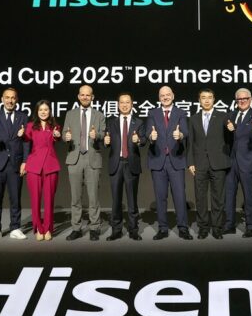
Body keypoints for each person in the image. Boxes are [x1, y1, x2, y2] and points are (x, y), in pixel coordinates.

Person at [145, 86, 192, 240]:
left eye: (167, 95)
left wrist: (180, 135)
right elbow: (148, 133)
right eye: (162, 95)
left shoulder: (181, 113)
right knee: (160, 197)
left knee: (179, 196)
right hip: (158, 160)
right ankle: (163, 228)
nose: (165, 97)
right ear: (159, 98)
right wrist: (151, 137)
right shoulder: (152, 113)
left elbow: (185, 132)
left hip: (175, 160)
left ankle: (183, 228)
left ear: (173, 96)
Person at [0, 87, 29, 241]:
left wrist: (25, 161)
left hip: (15, 163)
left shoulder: (23, 117)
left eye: (13, 98)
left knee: (15, 198)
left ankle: (15, 228)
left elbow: (26, 142)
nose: (10, 100)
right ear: (2, 99)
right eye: (7, 97)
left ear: (17, 100)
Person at [62, 85, 106, 241]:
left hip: (92, 158)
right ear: (78, 96)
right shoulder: (70, 114)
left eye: (88, 95)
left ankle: (94, 228)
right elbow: (64, 133)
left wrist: (97, 135)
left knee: (93, 197)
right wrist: (65, 137)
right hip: (75, 158)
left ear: (92, 97)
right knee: (75, 197)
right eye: (83, 95)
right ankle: (76, 228)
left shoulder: (99, 115)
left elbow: (103, 134)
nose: (85, 97)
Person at [187, 88, 231, 240]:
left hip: (218, 163)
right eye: (203, 97)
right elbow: (190, 142)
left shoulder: (223, 116)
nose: (206, 100)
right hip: (199, 164)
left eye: (209, 97)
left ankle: (217, 228)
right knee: (200, 198)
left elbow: (230, 136)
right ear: (199, 100)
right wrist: (190, 162)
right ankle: (203, 228)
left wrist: (231, 129)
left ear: (214, 99)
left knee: (218, 198)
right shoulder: (193, 119)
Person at [104, 92, 146, 241]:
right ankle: (116, 230)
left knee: (132, 200)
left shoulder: (138, 122)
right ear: (118, 105)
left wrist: (138, 139)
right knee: (116, 200)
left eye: (127, 102)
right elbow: (106, 139)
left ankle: (133, 230)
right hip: (116, 164)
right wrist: (106, 141)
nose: (124, 105)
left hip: (131, 164)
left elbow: (144, 140)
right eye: (122, 102)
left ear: (132, 104)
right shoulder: (111, 122)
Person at [224, 88, 252, 238]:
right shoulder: (230, 115)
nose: (242, 101)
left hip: (247, 161)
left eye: (245, 99)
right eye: (239, 99)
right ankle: (229, 224)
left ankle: (250, 226)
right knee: (229, 194)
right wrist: (227, 129)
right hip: (231, 161)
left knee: (248, 195)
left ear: (251, 99)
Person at [23, 100, 61, 241]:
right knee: (35, 199)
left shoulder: (55, 126)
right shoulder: (30, 126)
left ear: (50, 111)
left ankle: (48, 228)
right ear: (37, 112)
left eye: (46, 109)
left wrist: (57, 135)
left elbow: (57, 137)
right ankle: (39, 228)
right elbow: (26, 138)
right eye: (41, 110)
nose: (43, 112)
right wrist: (21, 134)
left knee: (49, 199)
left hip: (50, 165)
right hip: (34, 166)